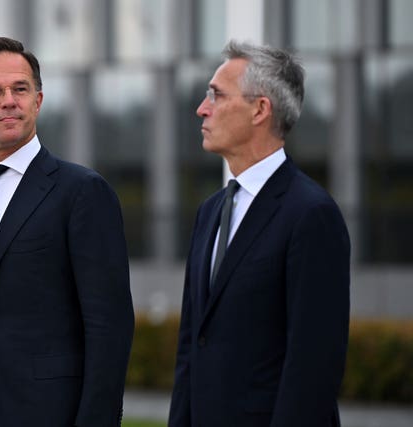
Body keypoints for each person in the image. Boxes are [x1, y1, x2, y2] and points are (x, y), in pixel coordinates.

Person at [0, 35, 134, 427]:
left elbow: (110, 327)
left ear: (38, 100)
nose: (9, 100)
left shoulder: (82, 192)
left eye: (21, 89)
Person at [168, 40, 350, 427]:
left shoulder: (311, 214)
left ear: (260, 109)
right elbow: (191, 348)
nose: (202, 108)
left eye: (216, 96)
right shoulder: (210, 212)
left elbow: (313, 367)